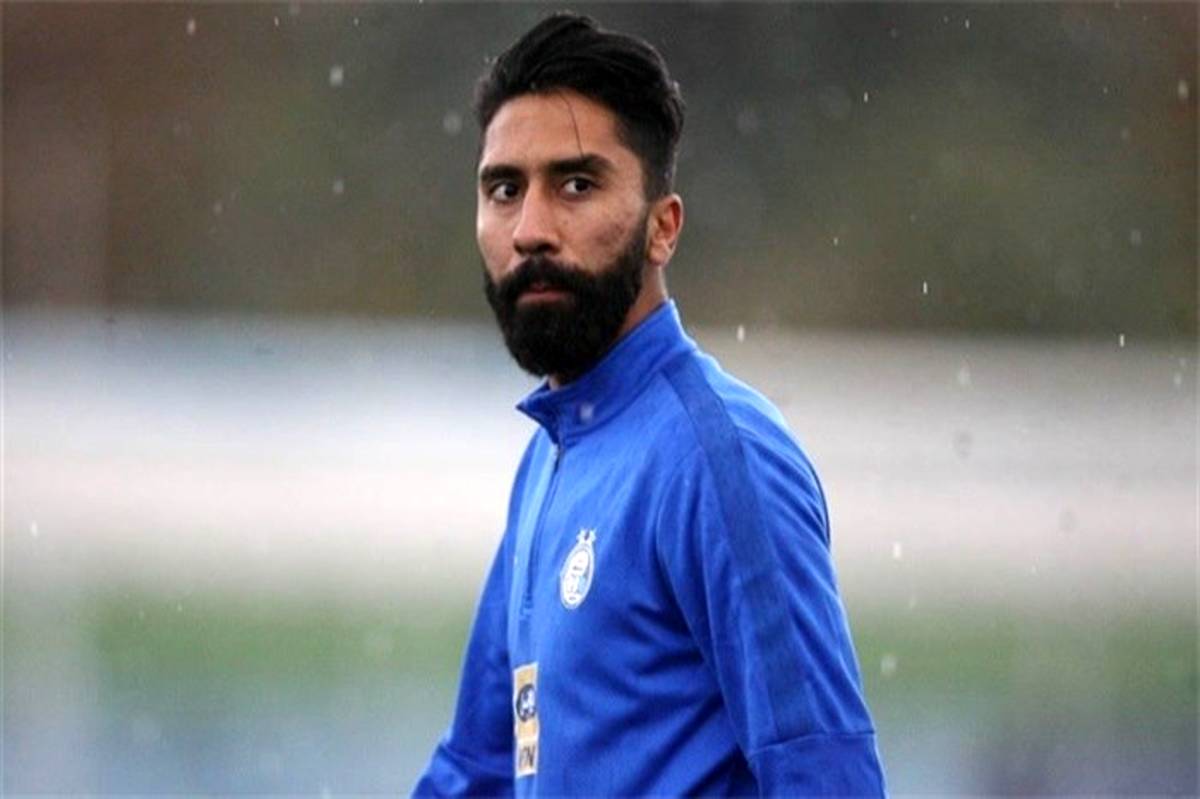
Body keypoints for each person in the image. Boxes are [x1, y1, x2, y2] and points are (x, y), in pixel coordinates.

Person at [412, 12, 885, 797]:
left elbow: (823, 775)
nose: (531, 229)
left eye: (576, 184)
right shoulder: (551, 456)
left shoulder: (719, 457)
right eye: (504, 189)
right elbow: (480, 768)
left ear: (662, 228)